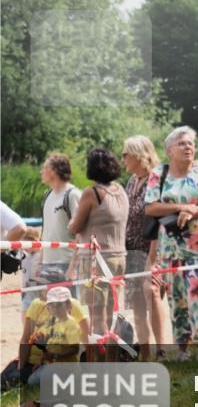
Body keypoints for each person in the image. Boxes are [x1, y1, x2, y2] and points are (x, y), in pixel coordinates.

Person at [145, 126, 198, 358]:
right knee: (177, 298)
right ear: (170, 150)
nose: (188, 146)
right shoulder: (158, 173)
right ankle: (182, 348)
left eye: (190, 143)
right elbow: (150, 207)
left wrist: (195, 211)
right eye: (182, 143)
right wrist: (181, 207)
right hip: (170, 246)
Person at [66, 148, 129, 335]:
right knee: (111, 313)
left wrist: (72, 220)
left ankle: (99, 359)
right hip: (119, 257)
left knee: (96, 316)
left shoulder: (91, 193)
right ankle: (111, 356)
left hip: (97, 261)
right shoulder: (121, 190)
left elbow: (74, 227)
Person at [122, 135, 170, 359]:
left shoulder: (156, 179)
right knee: (137, 304)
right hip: (132, 249)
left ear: (139, 155)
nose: (123, 159)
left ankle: (161, 350)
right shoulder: (131, 181)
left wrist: (153, 257)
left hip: (152, 248)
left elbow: (160, 219)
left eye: (126, 154)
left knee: (152, 294)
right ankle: (145, 351)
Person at [35, 154, 82, 309]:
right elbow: (46, 232)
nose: (41, 171)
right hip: (48, 262)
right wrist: (40, 262)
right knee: (50, 312)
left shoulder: (73, 194)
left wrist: (73, 267)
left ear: (54, 171)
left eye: (45, 168)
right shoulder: (47, 195)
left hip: (66, 262)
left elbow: (81, 233)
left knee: (70, 311)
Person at [19, 286, 88, 386]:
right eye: (52, 305)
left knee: (31, 382)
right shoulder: (51, 325)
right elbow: (49, 347)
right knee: (29, 380)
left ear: (68, 305)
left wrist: (55, 355)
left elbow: (74, 349)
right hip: (51, 365)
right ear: (48, 308)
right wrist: (42, 359)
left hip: (66, 368)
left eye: (59, 305)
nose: (56, 309)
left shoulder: (71, 324)